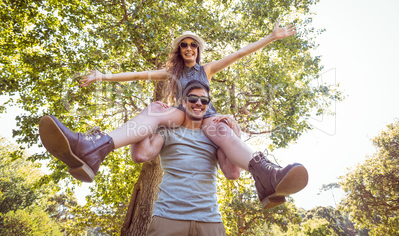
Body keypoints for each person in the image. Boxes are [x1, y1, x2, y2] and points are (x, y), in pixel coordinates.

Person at [39, 21, 297, 203]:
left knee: (222, 131)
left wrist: (271, 37)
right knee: (154, 112)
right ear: (179, 50)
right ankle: (94, 148)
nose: (188, 48)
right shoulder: (172, 73)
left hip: (206, 115)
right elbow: (138, 74)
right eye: (184, 45)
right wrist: (102, 76)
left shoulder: (207, 69)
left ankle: (266, 176)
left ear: (197, 49)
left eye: (192, 45)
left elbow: (239, 53)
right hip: (180, 111)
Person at [138, 80, 307, 235]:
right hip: (168, 218)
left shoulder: (214, 136)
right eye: (193, 98)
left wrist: (235, 133)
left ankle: (266, 176)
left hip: (209, 220)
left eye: (204, 100)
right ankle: (267, 178)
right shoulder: (168, 131)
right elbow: (141, 153)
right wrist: (146, 117)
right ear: (183, 102)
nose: (198, 103)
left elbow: (232, 173)